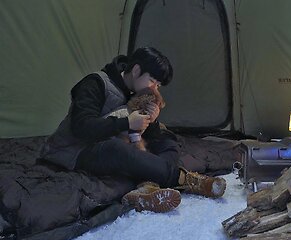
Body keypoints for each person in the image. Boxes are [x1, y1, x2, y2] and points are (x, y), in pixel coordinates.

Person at [40, 47, 226, 213]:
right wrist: (127, 123)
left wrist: (151, 121)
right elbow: (82, 127)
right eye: (152, 81)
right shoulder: (95, 83)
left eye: (159, 85)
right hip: (76, 150)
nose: (155, 89)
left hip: (120, 143)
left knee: (167, 141)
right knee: (116, 149)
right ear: (136, 70)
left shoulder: (139, 94)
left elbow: (149, 138)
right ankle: (185, 180)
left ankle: (147, 187)